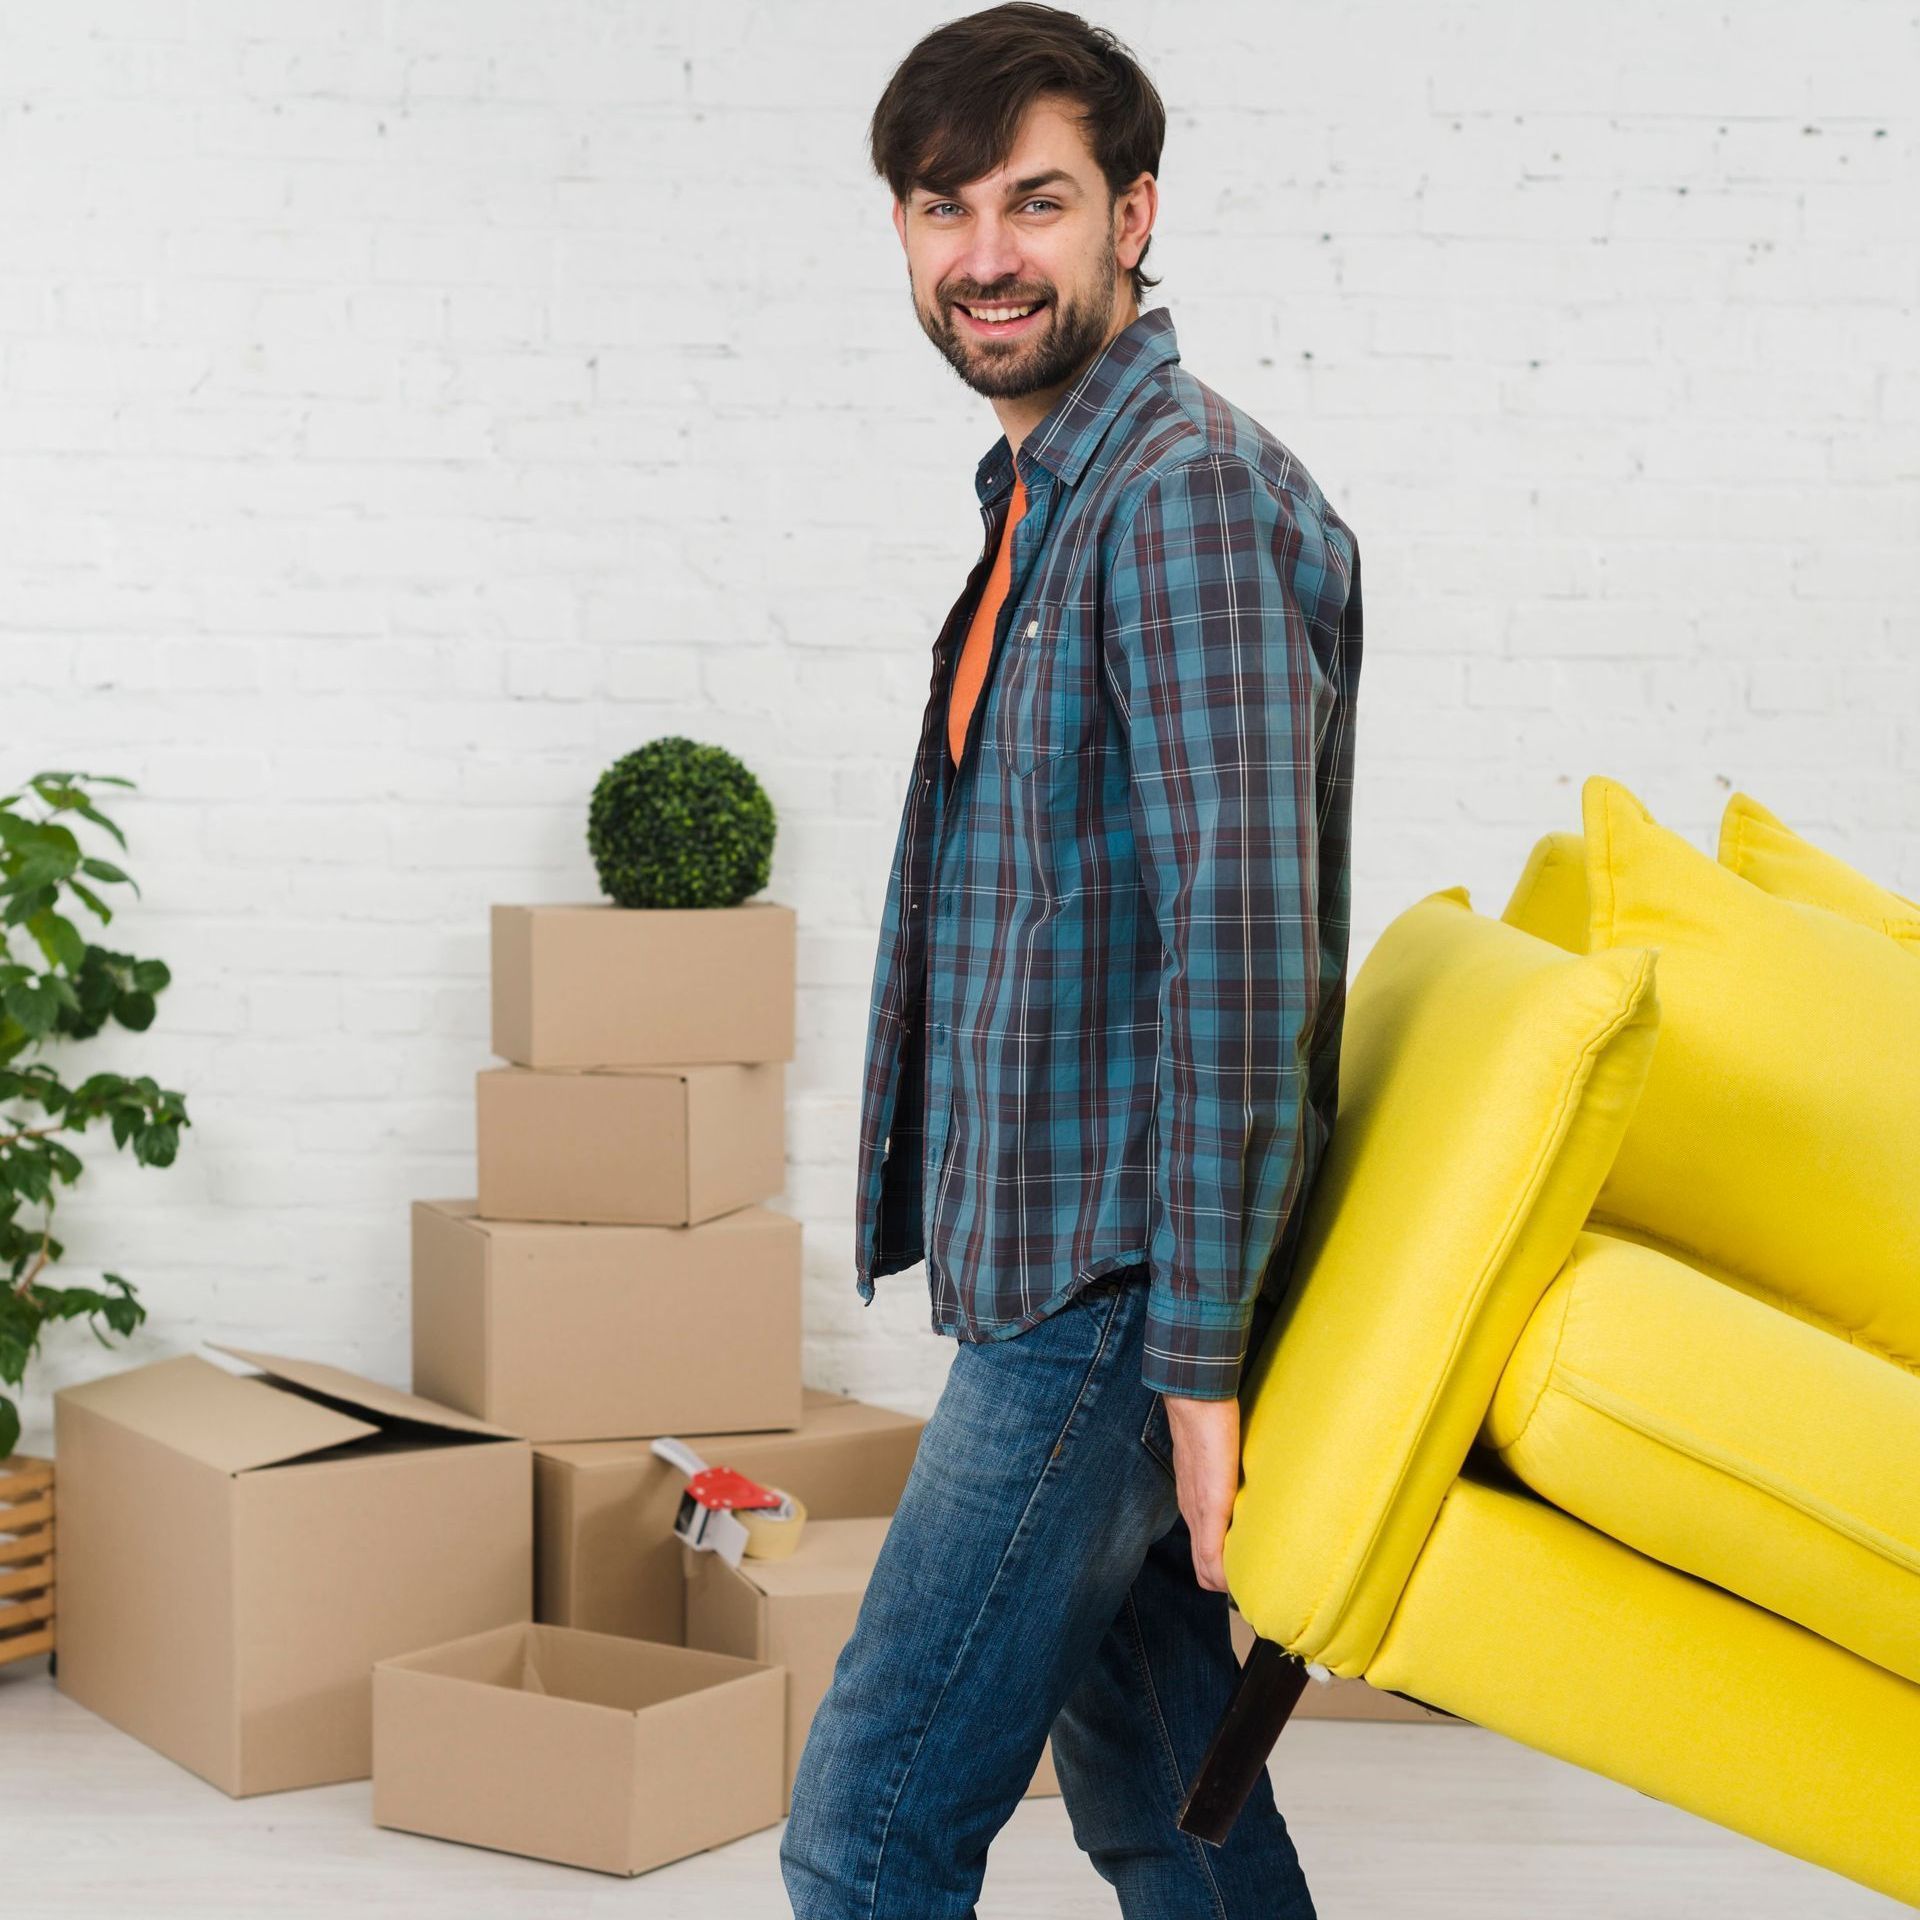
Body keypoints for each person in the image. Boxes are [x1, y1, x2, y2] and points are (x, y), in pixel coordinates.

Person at [781, 6, 1362, 1914]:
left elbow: (1241, 947)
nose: (987, 255)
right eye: (943, 208)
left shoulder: (1180, 493)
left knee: (866, 1831)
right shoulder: (1047, 490)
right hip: (1060, 1264)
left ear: (1135, 213)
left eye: (1038, 200)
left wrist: (1195, 1366)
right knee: (1166, 1805)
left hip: (1111, 1299)